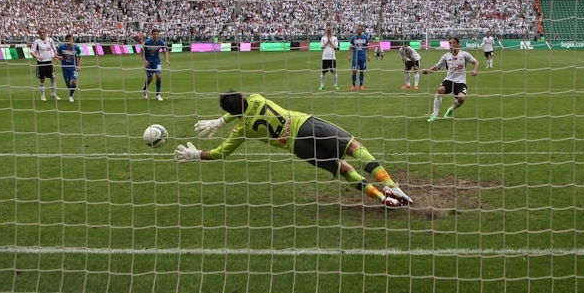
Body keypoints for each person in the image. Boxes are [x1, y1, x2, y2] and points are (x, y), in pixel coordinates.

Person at [176, 91, 413, 208]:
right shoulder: (258, 98)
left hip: (297, 146)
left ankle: (381, 197)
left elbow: (221, 153)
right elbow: (242, 105)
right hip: (306, 124)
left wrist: (197, 154)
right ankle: (393, 186)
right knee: (353, 147)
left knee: (341, 168)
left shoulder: (242, 130)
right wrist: (220, 120)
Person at [423, 36, 479, 121]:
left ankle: (450, 110)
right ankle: (435, 115)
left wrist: (474, 70)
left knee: (461, 98)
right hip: (449, 80)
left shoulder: (464, 54)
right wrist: (428, 71)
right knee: (440, 90)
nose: (451, 45)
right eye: (450, 43)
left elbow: (476, 62)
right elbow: (437, 67)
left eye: (454, 43)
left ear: (458, 44)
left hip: (460, 81)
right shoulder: (446, 56)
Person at [141, 29, 170, 101]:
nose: (155, 36)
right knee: (150, 79)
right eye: (154, 34)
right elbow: (141, 51)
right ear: (152, 35)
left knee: (159, 76)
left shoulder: (161, 42)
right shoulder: (147, 42)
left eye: (157, 34)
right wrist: (144, 60)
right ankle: (144, 89)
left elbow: (164, 51)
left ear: (159, 35)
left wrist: (166, 60)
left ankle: (158, 94)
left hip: (156, 61)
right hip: (148, 62)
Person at [30, 28, 59, 101]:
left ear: (46, 33)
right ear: (38, 34)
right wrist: (37, 56)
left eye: (43, 32)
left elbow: (54, 49)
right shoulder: (37, 42)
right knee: (42, 79)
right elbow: (32, 52)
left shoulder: (50, 40)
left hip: (49, 62)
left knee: (53, 78)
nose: (42, 34)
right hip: (41, 63)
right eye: (41, 32)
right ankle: (42, 95)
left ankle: (53, 94)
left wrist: (56, 57)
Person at [56, 34, 82, 102]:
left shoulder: (76, 48)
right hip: (65, 68)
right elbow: (56, 55)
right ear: (65, 40)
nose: (69, 41)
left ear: (72, 40)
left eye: (70, 39)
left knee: (73, 82)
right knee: (68, 83)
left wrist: (79, 66)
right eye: (67, 39)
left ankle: (70, 95)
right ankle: (72, 91)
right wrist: (58, 58)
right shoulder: (61, 47)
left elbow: (80, 56)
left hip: (73, 67)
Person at [348, 25, 370, 91]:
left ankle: (361, 85)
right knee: (354, 71)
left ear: (362, 30)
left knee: (361, 71)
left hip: (362, 56)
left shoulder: (365, 37)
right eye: (357, 29)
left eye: (360, 29)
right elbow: (350, 47)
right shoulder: (353, 38)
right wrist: (349, 55)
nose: (358, 31)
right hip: (355, 56)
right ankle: (353, 85)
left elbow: (367, 47)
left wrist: (369, 55)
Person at [319, 26, 339, 90]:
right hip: (325, 57)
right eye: (328, 30)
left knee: (334, 72)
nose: (328, 32)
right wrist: (327, 42)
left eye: (330, 30)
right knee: (323, 72)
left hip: (332, 57)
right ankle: (322, 85)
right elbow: (321, 47)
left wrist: (331, 42)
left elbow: (336, 47)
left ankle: (335, 85)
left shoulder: (334, 38)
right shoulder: (323, 38)